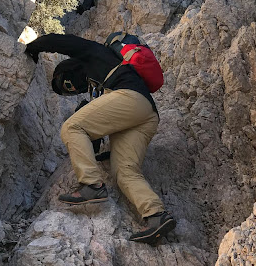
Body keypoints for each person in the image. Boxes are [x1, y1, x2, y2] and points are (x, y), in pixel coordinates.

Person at [24, 33, 176, 245]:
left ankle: (91, 186)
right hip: (147, 115)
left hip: (130, 99)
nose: (73, 90)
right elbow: (95, 130)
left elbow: (64, 42)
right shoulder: (101, 84)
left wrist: (33, 47)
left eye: (67, 86)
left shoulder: (92, 54)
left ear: (70, 71)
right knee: (124, 171)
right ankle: (156, 216)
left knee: (71, 127)